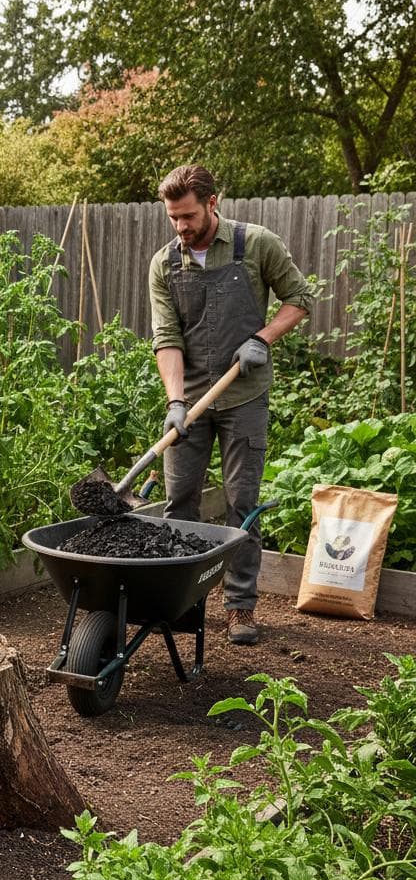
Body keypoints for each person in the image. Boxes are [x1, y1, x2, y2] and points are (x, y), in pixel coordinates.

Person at [148, 164, 314, 645]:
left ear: (212, 202)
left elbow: (300, 298)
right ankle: (179, 603)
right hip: (191, 400)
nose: (181, 226)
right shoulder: (164, 263)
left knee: (242, 503)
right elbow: (167, 337)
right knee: (180, 504)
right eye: (173, 217)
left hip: (244, 396)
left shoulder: (257, 244)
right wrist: (176, 401)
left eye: (188, 215)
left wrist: (263, 337)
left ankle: (240, 607)